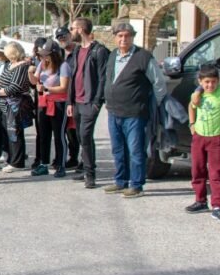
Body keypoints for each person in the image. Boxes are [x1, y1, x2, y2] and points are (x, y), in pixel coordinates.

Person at [101, 22, 167, 198]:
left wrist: (154, 105)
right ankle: (120, 181)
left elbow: (159, 83)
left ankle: (136, 185)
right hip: (114, 111)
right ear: (115, 37)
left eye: (127, 36)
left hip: (135, 113)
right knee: (118, 149)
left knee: (136, 151)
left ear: (132, 37)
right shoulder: (113, 55)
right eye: (120, 36)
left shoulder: (143, 57)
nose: (123, 39)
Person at [66, 17, 110, 189]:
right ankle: (85, 168)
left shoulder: (99, 51)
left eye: (72, 28)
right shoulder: (77, 50)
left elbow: (103, 78)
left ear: (81, 29)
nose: (70, 32)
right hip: (77, 101)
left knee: (85, 135)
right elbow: (73, 77)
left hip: (90, 101)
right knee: (81, 137)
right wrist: (70, 102)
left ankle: (90, 175)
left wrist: (97, 102)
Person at [186, 64, 220, 221]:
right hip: (199, 137)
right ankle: (200, 200)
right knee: (197, 170)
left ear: (218, 81)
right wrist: (192, 124)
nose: (210, 85)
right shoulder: (197, 95)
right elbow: (191, 106)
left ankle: (218, 206)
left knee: (216, 173)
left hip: (216, 138)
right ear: (200, 81)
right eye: (206, 82)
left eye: (213, 82)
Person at [32, 40, 71, 178]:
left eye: (46, 54)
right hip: (44, 102)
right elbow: (34, 80)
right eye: (42, 54)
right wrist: (30, 73)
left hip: (58, 103)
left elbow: (64, 87)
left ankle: (61, 164)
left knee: (59, 135)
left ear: (54, 54)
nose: (43, 57)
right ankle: (43, 164)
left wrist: (47, 88)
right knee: (43, 134)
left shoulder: (63, 66)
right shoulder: (42, 64)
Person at [0, 41, 32, 174]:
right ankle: (12, 159)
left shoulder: (22, 66)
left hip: (15, 105)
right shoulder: (10, 65)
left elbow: (15, 86)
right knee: (10, 133)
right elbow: (3, 80)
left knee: (15, 133)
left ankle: (17, 162)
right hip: (5, 105)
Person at [55, 27, 81, 170]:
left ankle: (84, 160)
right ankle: (73, 157)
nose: (62, 39)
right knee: (67, 130)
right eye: (59, 38)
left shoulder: (79, 51)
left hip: (77, 96)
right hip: (63, 97)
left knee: (79, 130)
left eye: (64, 36)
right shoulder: (59, 53)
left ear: (70, 35)